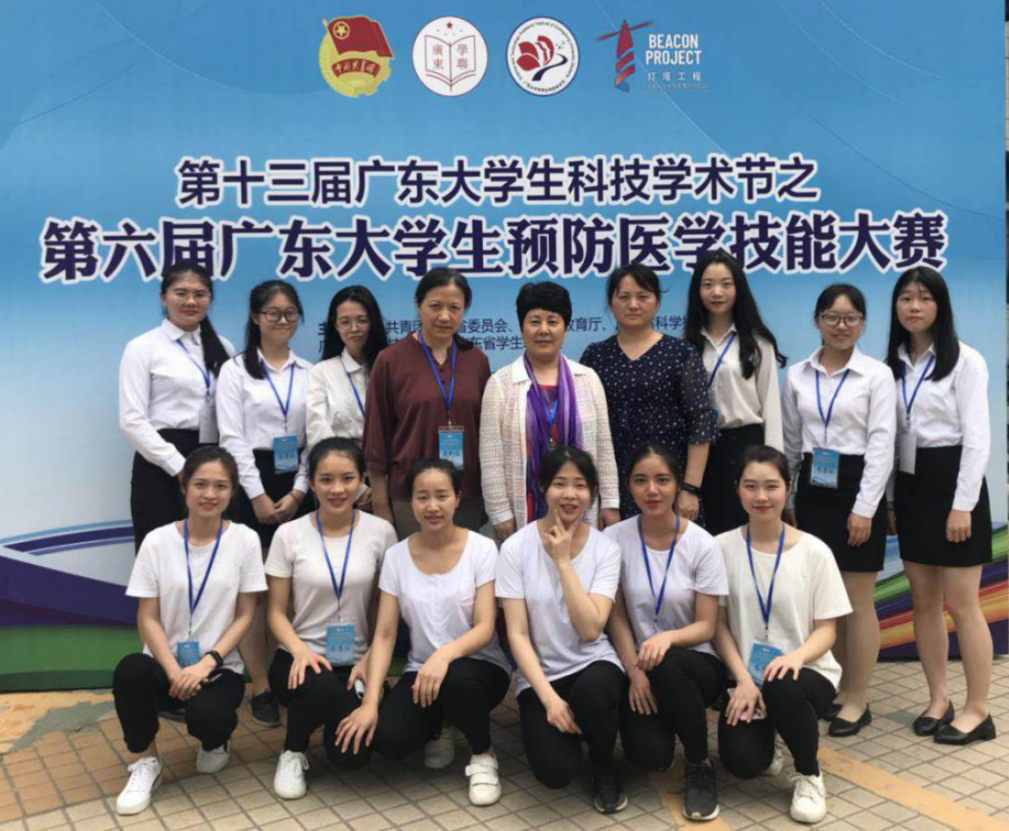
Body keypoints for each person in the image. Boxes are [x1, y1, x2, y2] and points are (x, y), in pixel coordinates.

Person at [336, 459, 511, 806]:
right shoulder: (397, 557)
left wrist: (444, 655)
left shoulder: (481, 548)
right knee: (388, 739)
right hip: (421, 673)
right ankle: (441, 723)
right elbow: (385, 635)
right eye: (422, 497)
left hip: (479, 668)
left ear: (458, 498)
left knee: (457, 678)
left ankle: (482, 754)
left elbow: (485, 627)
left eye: (442, 496)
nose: (433, 506)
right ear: (410, 502)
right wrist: (370, 704)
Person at [111, 447, 266, 816]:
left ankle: (216, 741)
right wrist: (173, 670)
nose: (210, 494)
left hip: (218, 668)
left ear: (232, 491)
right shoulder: (157, 541)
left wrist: (206, 663)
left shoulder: (244, 540)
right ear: (184, 487)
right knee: (131, 670)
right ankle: (146, 761)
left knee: (208, 718)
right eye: (200, 484)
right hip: (165, 665)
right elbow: (148, 617)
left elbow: (246, 614)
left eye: (221, 486)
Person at [713, 446, 851, 825]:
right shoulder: (721, 547)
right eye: (750, 486)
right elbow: (718, 625)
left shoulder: (814, 552)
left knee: (783, 684)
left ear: (788, 488)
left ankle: (809, 774)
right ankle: (771, 734)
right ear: (737, 489)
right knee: (743, 763)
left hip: (807, 674)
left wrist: (795, 658)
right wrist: (742, 679)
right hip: (748, 679)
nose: (761, 496)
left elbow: (827, 631)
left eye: (771, 486)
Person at [886, 266, 995, 745]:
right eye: (906, 298)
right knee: (924, 601)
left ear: (940, 305)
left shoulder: (965, 360)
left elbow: (978, 439)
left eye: (924, 298)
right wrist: (892, 500)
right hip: (912, 486)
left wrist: (962, 505)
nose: (914, 306)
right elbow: (890, 440)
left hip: (954, 484)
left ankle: (978, 710)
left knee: (963, 605)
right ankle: (938, 699)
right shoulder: (891, 364)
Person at [781, 284, 895, 737]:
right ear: (817, 321)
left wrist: (865, 508)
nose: (841, 326)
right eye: (832, 317)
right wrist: (789, 500)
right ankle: (840, 686)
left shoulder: (876, 375)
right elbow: (791, 442)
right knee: (827, 600)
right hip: (813, 486)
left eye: (851, 318)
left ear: (863, 323)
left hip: (857, 483)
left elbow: (882, 446)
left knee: (858, 601)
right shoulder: (797, 374)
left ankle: (858, 696)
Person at [497, 446, 628, 814]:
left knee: (594, 692)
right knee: (555, 773)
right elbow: (517, 635)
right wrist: (549, 699)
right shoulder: (515, 548)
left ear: (592, 493)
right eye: (559, 484)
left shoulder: (605, 548)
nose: (570, 494)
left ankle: (603, 764)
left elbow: (590, 629)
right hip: (541, 677)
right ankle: (575, 728)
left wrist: (562, 561)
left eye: (580, 486)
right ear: (542, 487)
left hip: (594, 664)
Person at [265, 438, 397, 800]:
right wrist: (299, 651)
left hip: (356, 662)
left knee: (352, 757)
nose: (337, 489)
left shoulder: (381, 532)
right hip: (298, 658)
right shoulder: (289, 534)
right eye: (326, 479)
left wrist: (370, 658)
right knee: (319, 686)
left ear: (362, 480)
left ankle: (337, 715)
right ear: (311, 483)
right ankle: (293, 751)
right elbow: (275, 613)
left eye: (347, 478)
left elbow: (385, 611)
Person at [605, 443, 728, 821]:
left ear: (677, 485)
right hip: (639, 664)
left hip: (695, 661)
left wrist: (667, 639)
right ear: (629, 486)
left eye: (662, 480)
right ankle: (668, 720)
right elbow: (617, 617)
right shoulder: (614, 539)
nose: (652, 490)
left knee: (669, 663)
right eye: (640, 481)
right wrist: (634, 672)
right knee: (650, 757)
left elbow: (707, 625)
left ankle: (699, 764)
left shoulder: (702, 543)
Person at [217, 280, 313, 726]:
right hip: (248, 482)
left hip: (297, 482)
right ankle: (260, 685)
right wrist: (256, 494)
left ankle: (288, 674)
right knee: (254, 593)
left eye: (290, 312)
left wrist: (299, 491)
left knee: (292, 588)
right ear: (255, 318)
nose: (282, 320)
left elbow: (315, 439)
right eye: (272, 312)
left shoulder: (308, 372)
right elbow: (231, 437)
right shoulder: (235, 371)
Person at [481, 281, 620, 541]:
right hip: (524, 507)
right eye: (534, 321)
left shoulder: (588, 379)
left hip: (578, 503)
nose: (543, 330)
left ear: (565, 327)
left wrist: (610, 502)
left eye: (553, 321)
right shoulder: (500, 383)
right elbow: (491, 456)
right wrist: (499, 512)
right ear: (522, 327)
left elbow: (603, 446)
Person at [581, 264, 714, 521]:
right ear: (611, 303)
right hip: (614, 486)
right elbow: (585, 428)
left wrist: (690, 489)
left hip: (669, 482)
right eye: (624, 297)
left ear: (657, 303)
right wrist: (597, 494)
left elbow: (700, 423)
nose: (633, 304)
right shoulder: (595, 356)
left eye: (643, 296)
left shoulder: (681, 353)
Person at [364, 268, 491, 537]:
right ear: (418, 305)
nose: (445, 316)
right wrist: (380, 503)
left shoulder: (476, 360)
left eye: (454, 308)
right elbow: (377, 436)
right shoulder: (390, 360)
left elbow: (487, 431)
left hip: (465, 494)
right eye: (435, 306)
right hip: (411, 495)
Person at [119, 261, 233, 552]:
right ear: (163, 297)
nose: (191, 301)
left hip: (213, 460)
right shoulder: (143, 347)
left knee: (213, 553)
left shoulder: (224, 347)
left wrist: (209, 470)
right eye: (181, 293)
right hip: (161, 463)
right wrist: (180, 467)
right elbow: (132, 420)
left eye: (200, 294)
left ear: (210, 299)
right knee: (159, 554)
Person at [683, 250, 786, 535]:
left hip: (746, 447)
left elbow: (771, 408)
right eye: (708, 284)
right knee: (704, 535)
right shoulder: (688, 343)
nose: (717, 292)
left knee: (744, 534)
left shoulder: (757, 343)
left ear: (738, 288)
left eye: (726, 284)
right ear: (697, 291)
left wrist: (774, 468)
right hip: (700, 451)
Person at [306, 285, 389, 450]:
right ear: (335, 325)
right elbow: (317, 430)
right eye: (345, 322)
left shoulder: (391, 367)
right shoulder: (321, 372)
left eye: (362, 320)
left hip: (386, 459)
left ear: (373, 322)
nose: (354, 328)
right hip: (340, 461)